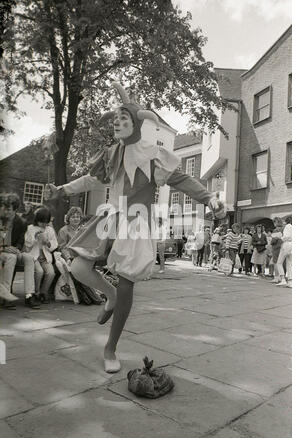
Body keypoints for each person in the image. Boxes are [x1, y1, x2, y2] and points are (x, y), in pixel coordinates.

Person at [45, 81, 226, 374]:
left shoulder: (152, 153)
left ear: (137, 123)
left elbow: (180, 180)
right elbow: (92, 181)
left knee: (127, 280)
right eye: (115, 120)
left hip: (136, 221)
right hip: (110, 216)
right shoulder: (111, 153)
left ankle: (110, 347)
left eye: (123, 119)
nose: (117, 124)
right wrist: (63, 189)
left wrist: (209, 198)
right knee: (79, 269)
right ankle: (110, 296)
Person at [0, 193, 40, 309]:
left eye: (8, 209)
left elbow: (21, 240)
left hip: (13, 251)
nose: (5, 212)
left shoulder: (22, 222)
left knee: (28, 258)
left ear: (15, 209)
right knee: (11, 257)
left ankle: (29, 295)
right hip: (3, 252)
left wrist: (17, 249)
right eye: (3, 208)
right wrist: (4, 248)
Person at [24, 206, 58, 303]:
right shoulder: (30, 228)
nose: (44, 224)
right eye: (42, 221)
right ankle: (36, 292)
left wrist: (48, 243)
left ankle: (43, 292)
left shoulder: (50, 230)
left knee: (51, 273)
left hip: (45, 257)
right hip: (34, 257)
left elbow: (54, 245)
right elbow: (27, 243)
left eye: (46, 222)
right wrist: (35, 238)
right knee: (39, 272)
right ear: (37, 220)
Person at [276, 217, 292, 288]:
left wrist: (280, 237)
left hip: (286, 245)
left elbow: (286, 236)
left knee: (279, 262)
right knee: (289, 264)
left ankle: (283, 280)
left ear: (286, 221)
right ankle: (290, 282)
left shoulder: (287, 227)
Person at [270, 217, 284, 284]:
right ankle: (280, 277)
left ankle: (276, 277)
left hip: (276, 248)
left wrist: (271, 241)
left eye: (274, 222)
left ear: (276, 222)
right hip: (282, 247)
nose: (274, 224)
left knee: (275, 263)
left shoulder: (275, 230)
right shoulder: (283, 229)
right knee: (280, 263)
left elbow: (273, 240)